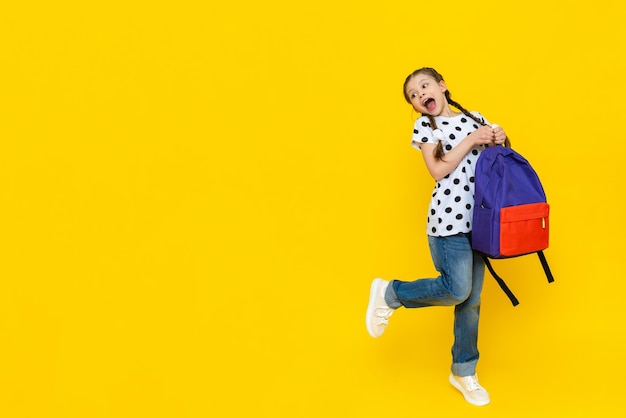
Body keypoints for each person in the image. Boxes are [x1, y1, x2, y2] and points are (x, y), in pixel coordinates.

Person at [365, 67, 509, 406]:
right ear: (416, 108)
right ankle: (391, 292)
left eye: (424, 86)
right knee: (457, 290)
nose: (420, 95)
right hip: (448, 223)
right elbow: (438, 169)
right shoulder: (425, 128)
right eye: (413, 96)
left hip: (480, 222)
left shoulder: (474, 117)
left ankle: (463, 371)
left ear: (442, 87)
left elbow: (494, 161)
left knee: (471, 302)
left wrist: (499, 137)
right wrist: (473, 139)